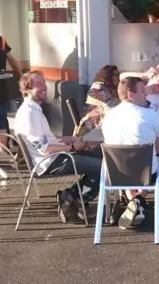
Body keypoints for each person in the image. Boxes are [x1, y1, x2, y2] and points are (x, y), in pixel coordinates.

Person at [13, 71, 102, 223]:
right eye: (38, 84)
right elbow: (45, 148)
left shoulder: (33, 109)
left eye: (44, 83)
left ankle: (72, 197)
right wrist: (73, 147)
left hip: (53, 157)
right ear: (26, 89)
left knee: (98, 155)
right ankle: (73, 198)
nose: (44, 88)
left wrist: (73, 138)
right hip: (49, 162)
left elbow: (48, 138)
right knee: (104, 167)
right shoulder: (29, 114)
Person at [101, 77, 159, 230]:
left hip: (116, 172)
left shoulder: (108, 117)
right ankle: (138, 199)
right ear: (131, 94)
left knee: (127, 165)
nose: (146, 94)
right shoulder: (150, 115)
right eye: (143, 91)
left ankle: (134, 203)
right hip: (144, 171)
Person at [80, 65, 120, 132]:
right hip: (91, 124)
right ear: (108, 76)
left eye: (118, 75)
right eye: (115, 75)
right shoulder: (97, 88)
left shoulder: (112, 88)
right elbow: (112, 105)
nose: (118, 78)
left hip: (105, 120)